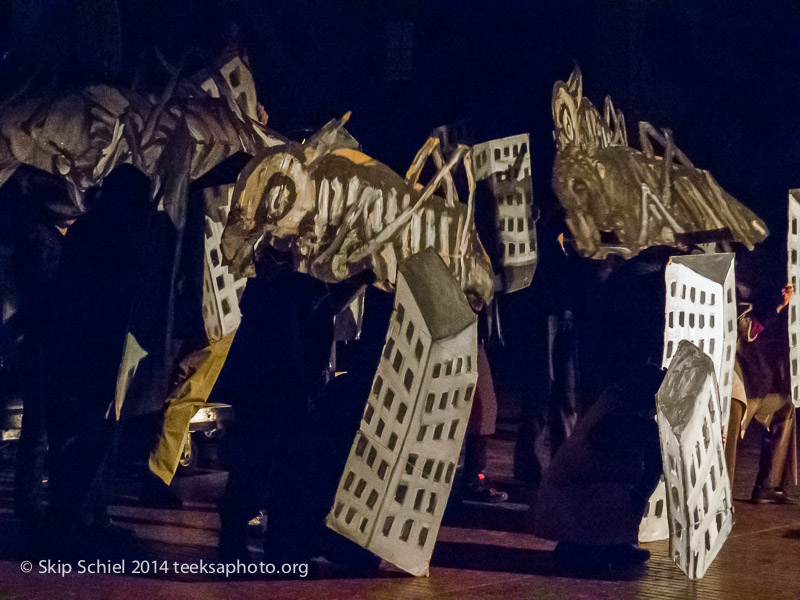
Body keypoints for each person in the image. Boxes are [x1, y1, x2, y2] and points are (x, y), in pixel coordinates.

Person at [216, 244, 372, 563]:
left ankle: (258, 529)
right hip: (277, 332)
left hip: (290, 328)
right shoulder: (285, 253)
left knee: (275, 432)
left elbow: (320, 300)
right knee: (269, 431)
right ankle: (249, 527)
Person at [46, 165, 155, 550]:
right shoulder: (121, 236)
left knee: (77, 438)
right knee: (91, 438)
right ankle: (71, 524)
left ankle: (77, 518)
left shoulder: (88, 229)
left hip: (74, 349)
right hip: (99, 351)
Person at [533, 366, 664, 573]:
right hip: (568, 500)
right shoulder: (617, 413)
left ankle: (613, 544)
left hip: (577, 494)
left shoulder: (621, 406)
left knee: (630, 490)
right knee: (622, 494)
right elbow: (639, 452)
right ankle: (579, 548)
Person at [12, 184, 80, 535]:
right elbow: (44, 294)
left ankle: (31, 498)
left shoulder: (43, 236)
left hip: (43, 340)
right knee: (41, 427)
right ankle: (30, 500)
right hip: (47, 341)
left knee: (39, 426)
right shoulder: (45, 240)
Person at [725, 283, 797, 504]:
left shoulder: (755, 292)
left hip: (756, 384)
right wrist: (776, 307)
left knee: (784, 409)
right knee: (728, 437)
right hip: (736, 384)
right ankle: (720, 498)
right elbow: (747, 330)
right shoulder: (730, 295)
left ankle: (768, 485)